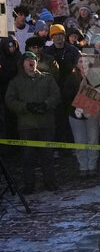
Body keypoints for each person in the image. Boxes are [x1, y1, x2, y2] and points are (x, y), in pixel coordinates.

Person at [5, 51, 61, 193]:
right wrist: (25, 107)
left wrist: (46, 105)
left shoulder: (47, 78)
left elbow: (56, 95)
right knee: (27, 158)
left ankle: (50, 182)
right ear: (23, 63)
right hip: (26, 126)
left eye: (34, 59)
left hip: (46, 125)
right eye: (28, 60)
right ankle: (29, 185)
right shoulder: (16, 82)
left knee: (47, 157)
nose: (32, 62)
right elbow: (10, 100)